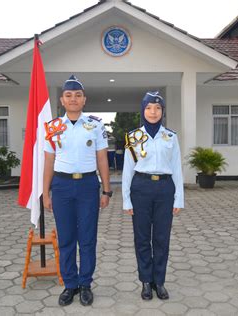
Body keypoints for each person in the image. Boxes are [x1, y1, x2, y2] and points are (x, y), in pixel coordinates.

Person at [43, 75, 112, 306]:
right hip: (61, 187)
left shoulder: (95, 124)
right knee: (66, 239)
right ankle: (70, 285)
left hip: (87, 186)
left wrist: (106, 190)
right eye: (69, 95)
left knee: (88, 239)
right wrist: (46, 192)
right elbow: (48, 161)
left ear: (84, 100)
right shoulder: (53, 127)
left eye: (78, 95)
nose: (73, 99)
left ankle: (85, 284)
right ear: (62, 100)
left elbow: (102, 159)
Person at [122, 91, 184, 300]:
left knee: (161, 238)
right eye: (149, 107)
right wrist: (126, 199)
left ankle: (160, 282)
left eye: (157, 108)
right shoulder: (133, 137)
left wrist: (179, 198)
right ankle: (146, 282)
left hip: (165, 190)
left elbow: (177, 168)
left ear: (162, 111)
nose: (153, 112)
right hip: (140, 188)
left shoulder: (171, 137)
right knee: (141, 238)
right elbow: (127, 170)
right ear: (143, 110)